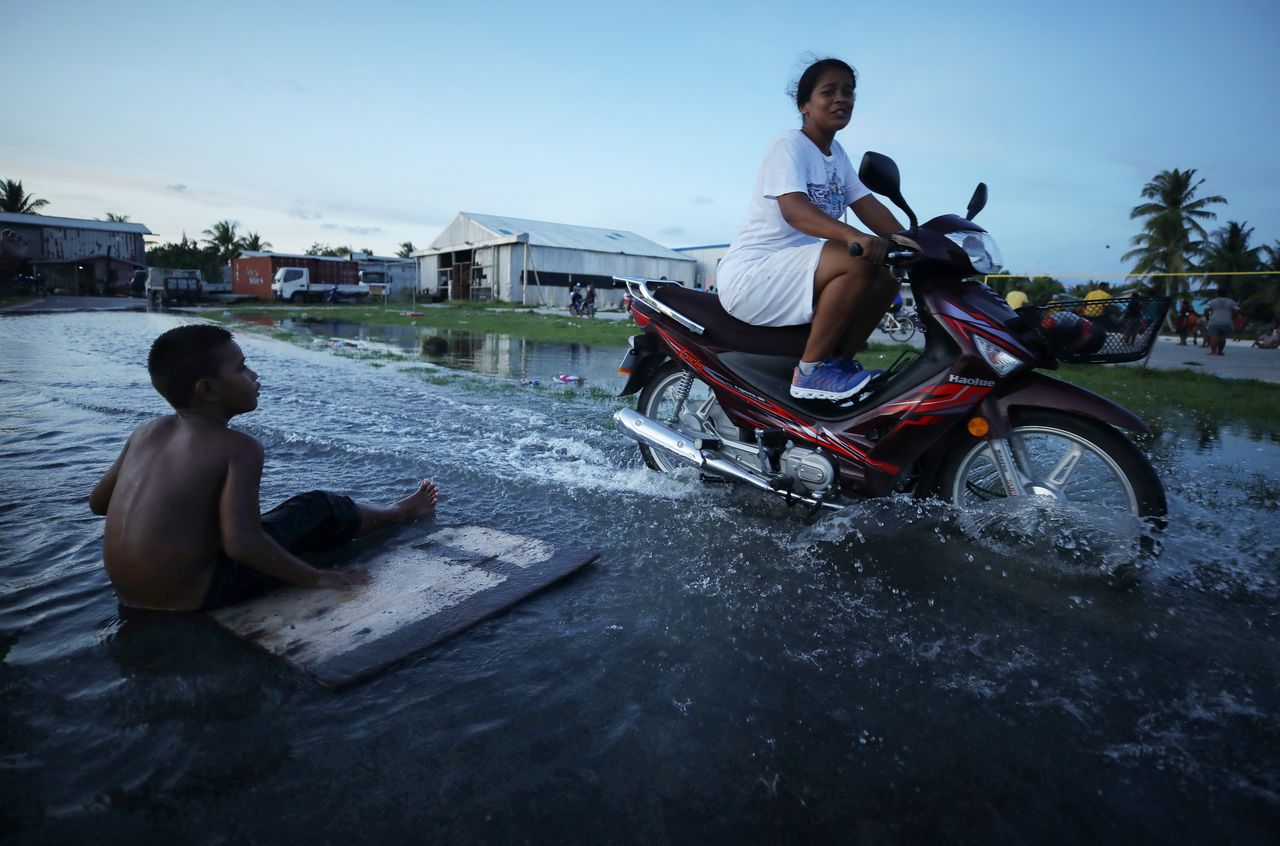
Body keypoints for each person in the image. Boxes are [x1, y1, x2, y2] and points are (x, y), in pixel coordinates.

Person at [88, 324, 440, 612]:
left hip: (130, 594)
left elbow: (99, 503)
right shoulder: (238, 448)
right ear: (207, 390)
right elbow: (243, 544)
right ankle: (400, 512)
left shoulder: (147, 432)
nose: (254, 375)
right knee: (317, 507)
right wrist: (317, 578)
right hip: (195, 596)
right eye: (241, 368)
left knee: (267, 520)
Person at [716, 57, 911, 402]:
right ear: (804, 104)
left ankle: (838, 363)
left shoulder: (837, 154)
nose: (841, 99)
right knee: (858, 257)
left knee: (887, 273)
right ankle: (811, 372)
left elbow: (868, 206)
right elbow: (794, 212)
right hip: (754, 274)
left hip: (795, 271)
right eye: (829, 91)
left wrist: (918, 243)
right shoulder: (789, 144)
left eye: (849, 92)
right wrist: (853, 236)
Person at [1203, 284, 1239, 356]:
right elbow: (1236, 310)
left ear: (1217, 293)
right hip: (1227, 321)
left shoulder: (1212, 301)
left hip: (1214, 321)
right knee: (1223, 337)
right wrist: (1233, 318)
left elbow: (1206, 310)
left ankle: (1213, 352)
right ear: (1226, 293)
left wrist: (1207, 318)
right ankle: (1220, 351)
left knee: (1214, 336)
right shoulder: (1231, 301)